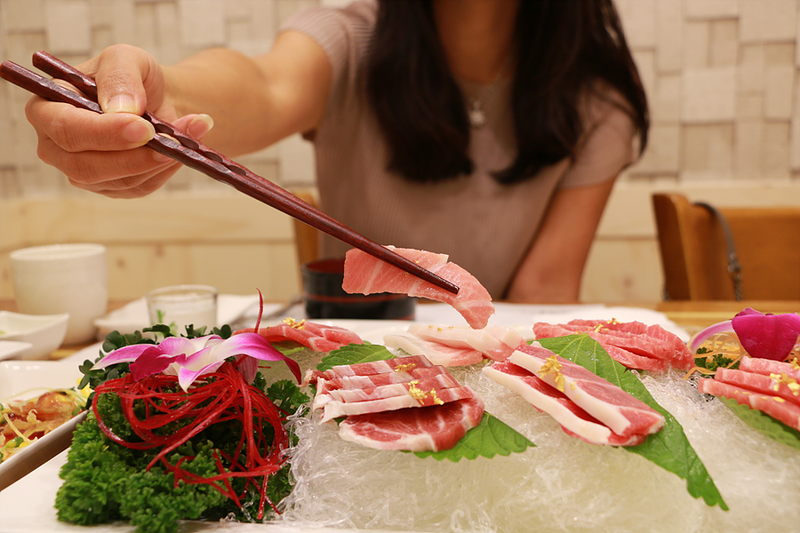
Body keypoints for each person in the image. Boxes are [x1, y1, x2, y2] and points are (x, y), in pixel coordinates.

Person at [24, 0, 648, 302]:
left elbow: (545, 287)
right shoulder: (352, 37)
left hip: (486, 371)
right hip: (349, 360)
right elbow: (264, 86)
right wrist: (160, 94)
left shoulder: (596, 99)